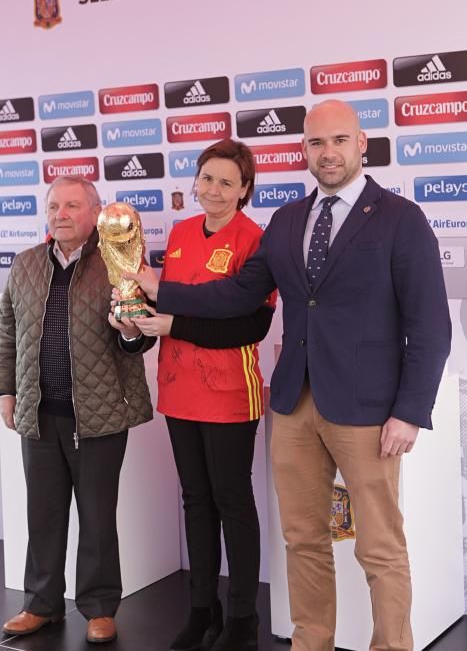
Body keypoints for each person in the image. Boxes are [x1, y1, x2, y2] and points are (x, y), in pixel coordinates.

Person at [127, 101, 451, 651]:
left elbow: (430, 326)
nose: (327, 153)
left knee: (379, 548)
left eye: (339, 141)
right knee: (302, 539)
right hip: (296, 406)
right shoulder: (288, 220)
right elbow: (236, 293)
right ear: (303, 149)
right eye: (316, 143)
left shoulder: (401, 218)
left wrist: (409, 411)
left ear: (361, 144)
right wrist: (160, 287)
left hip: (370, 411)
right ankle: (310, 643)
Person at [117, 138, 275, 651]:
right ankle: (202, 610)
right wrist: (133, 315)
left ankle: (243, 619)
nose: (214, 189)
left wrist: (172, 320)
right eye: (207, 178)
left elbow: (246, 324)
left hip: (230, 393)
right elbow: (155, 301)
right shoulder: (182, 233)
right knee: (195, 501)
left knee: (232, 501)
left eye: (227, 181)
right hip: (179, 389)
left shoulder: (257, 240)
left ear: (245, 189)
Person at [0, 176, 154, 644]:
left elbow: (139, 339)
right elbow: (7, 333)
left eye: (72, 205)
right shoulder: (25, 264)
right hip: (38, 414)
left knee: (97, 516)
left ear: (95, 212)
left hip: (100, 414)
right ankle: (42, 604)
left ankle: (99, 606)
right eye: (54, 206)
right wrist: (6, 391)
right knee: (42, 515)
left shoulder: (119, 263)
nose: (61, 214)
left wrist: (131, 331)